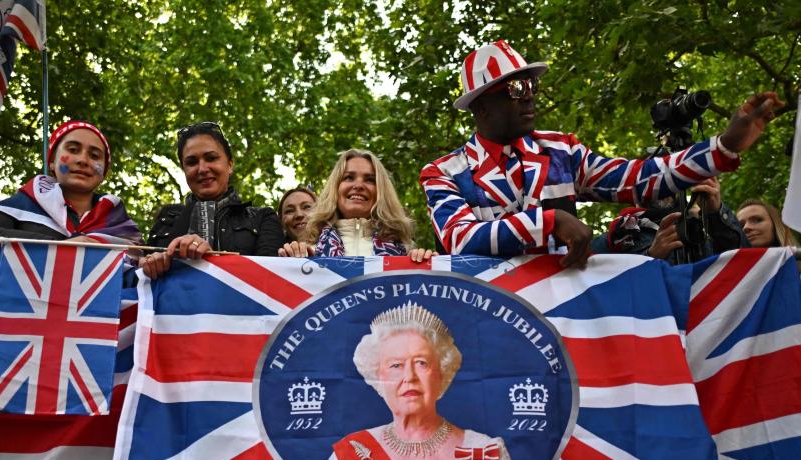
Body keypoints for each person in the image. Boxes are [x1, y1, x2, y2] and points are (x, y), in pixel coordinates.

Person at [421, 40, 784, 268]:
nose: (530, 95)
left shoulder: (561, 151)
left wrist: (723, 147)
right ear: (482, 106)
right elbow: (461, 238)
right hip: (490, 322)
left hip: (566, 322)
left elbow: (641, 179)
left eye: (532, 84)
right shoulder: (443, 172)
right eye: (516, 87)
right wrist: (550, 222)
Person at [317, 301, 518, 460]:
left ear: (442, 373)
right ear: (378, 377)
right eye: (396, 365)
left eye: (421, 363)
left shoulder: (483, 453)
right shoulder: (350, 456)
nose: (409, 377)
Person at [0, 120, 141, 273]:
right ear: (52, 162)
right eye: (73, 150)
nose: (83, 160)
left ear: (104, 173)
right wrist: (58, 248)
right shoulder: (22, 206)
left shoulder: (123, 228)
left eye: (94, 155)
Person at [139, 122, 284, 278]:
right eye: (192, 162)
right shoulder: (167, 219)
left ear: (230, 164)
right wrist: (150, 265)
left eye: (211, 158)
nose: (202, 169)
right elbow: (141, 283)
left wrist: (212, 260)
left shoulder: (263, 218)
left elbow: (269, 280)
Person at [278, 149, 433, 263]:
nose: (358, 185)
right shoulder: (307, 251)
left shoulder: (407, 252)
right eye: (349, 178)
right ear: (335, 188)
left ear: (381, 191)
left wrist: (432, 265)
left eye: (370, 180)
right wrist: (289, 263)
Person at [601, 176, 748, 263]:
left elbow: (744, 263)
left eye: (669, 180)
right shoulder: (612, 237)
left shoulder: (701, 226)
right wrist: (649, 258)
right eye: (651, 180)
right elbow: (600, 289)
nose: (661, 187)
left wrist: (715, 213)